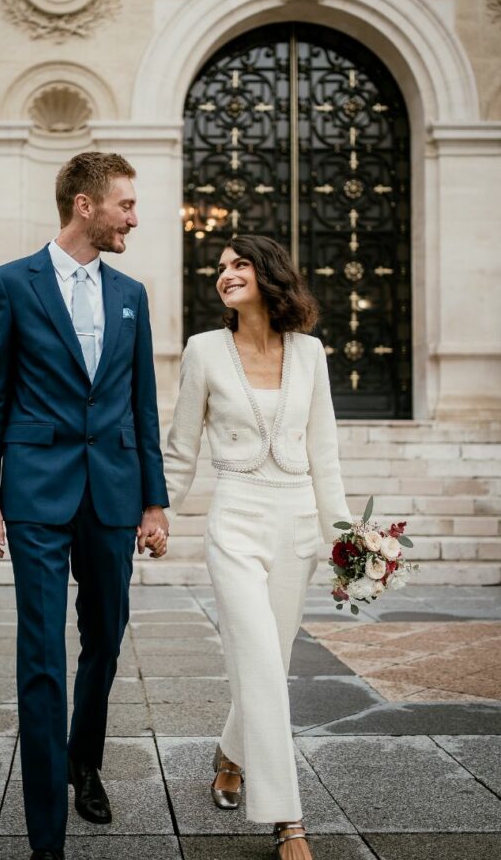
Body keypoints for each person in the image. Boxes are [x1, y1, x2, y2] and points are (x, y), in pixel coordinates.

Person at [0, 151, 170, 860]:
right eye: (125, 204)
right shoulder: (10, 284)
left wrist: (154, 500)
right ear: (84, 206)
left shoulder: (131, 294)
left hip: (114, 491)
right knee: (41, 653)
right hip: (35, 490)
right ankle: (45, 838)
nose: (134, 218)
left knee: (106, 639)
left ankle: (84, 758)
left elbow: (141, 403)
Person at [163, 234, 351, 860]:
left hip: (297, 521)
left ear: (269, 274)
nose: (225, 275)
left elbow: (324, 450)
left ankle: (230, 753)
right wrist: (159, 511)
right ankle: (287, 821)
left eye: (239, 264)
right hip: (236, 519)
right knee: (262, 666)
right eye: (220, 268)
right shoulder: (204, 350)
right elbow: (182, 446)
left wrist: (345, 537)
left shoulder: (312, 353)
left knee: (272, 662)